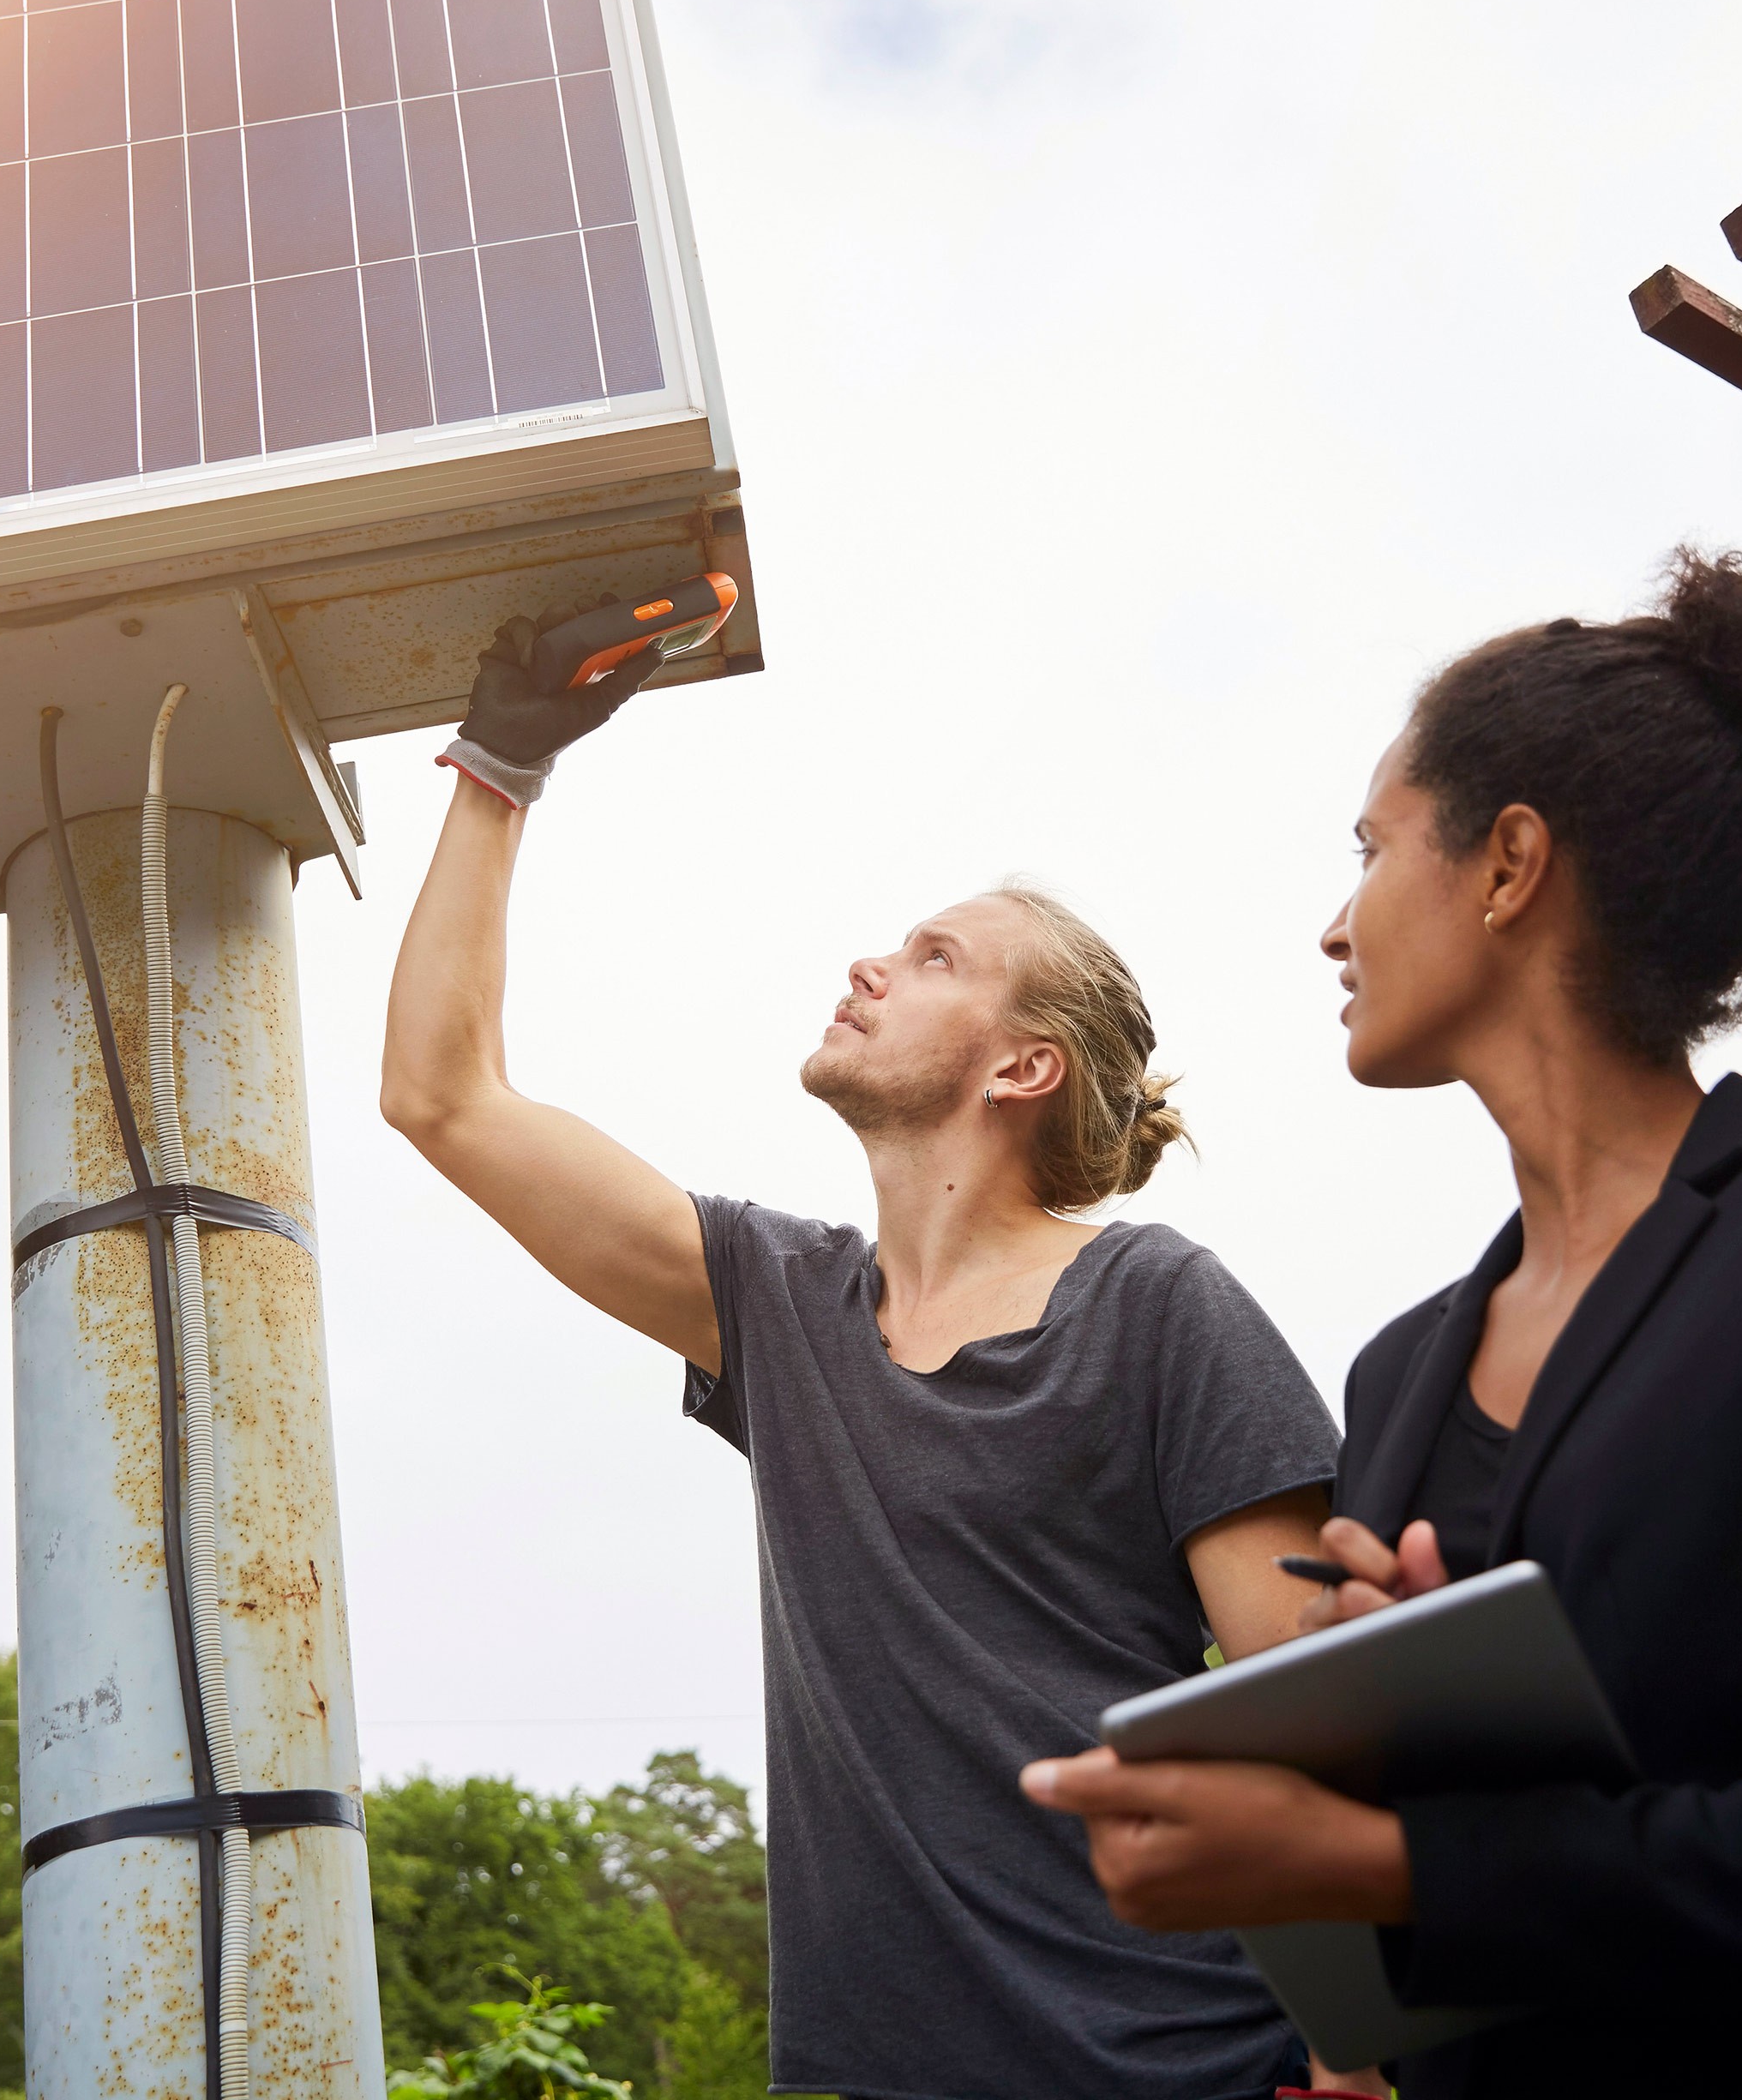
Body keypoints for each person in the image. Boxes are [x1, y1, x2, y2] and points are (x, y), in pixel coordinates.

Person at [1021, 553, 1742, 2097]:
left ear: (1508, 863)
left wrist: (1394, 1856)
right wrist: (1372, 1786)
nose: (1333, 929)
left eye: (1370, 849)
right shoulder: (1400, 1375)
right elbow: (1528, 1880)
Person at [379, 612, 1349, 2100]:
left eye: (933, 955)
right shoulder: (775, 1307)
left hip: (1177, 2067)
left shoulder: (1160, 1310)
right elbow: (442, 1096)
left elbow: (1320, 1720)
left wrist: (1354, 2047)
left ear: (1023, 1066)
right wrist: (500, 762)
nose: (871, 963)